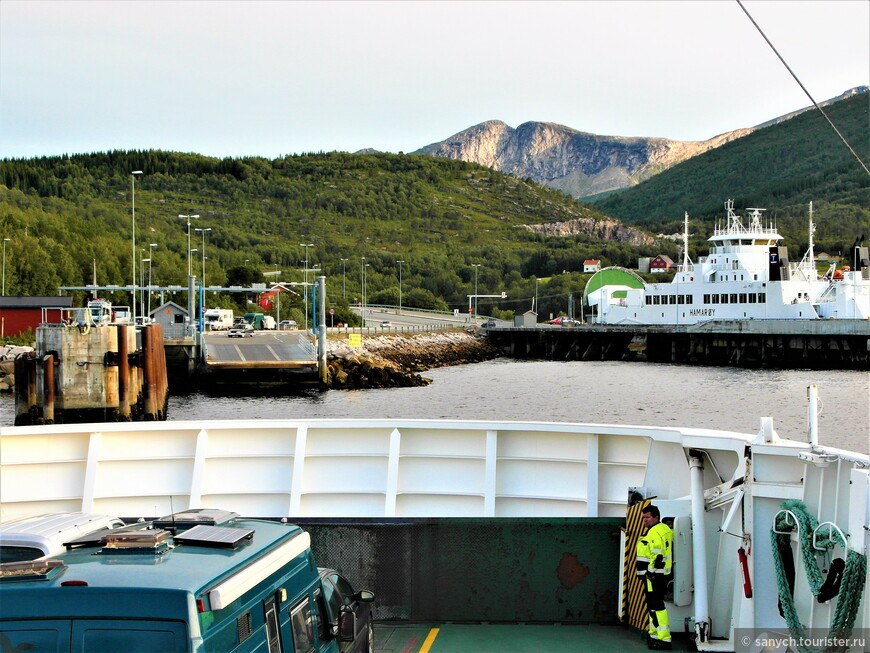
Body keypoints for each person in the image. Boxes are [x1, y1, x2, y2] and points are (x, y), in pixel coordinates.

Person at [636, 504, 673, 650]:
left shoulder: (655, 532)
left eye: (648, 517)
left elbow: (657, 555)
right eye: (643, 518)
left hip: (654, 577)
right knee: (653, 606)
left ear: (656, 517)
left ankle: (664, 639)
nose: (645, 520)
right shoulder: (664, 529)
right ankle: (654, 634)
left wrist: (650, 573)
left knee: (656, 606)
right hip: (659, 575)